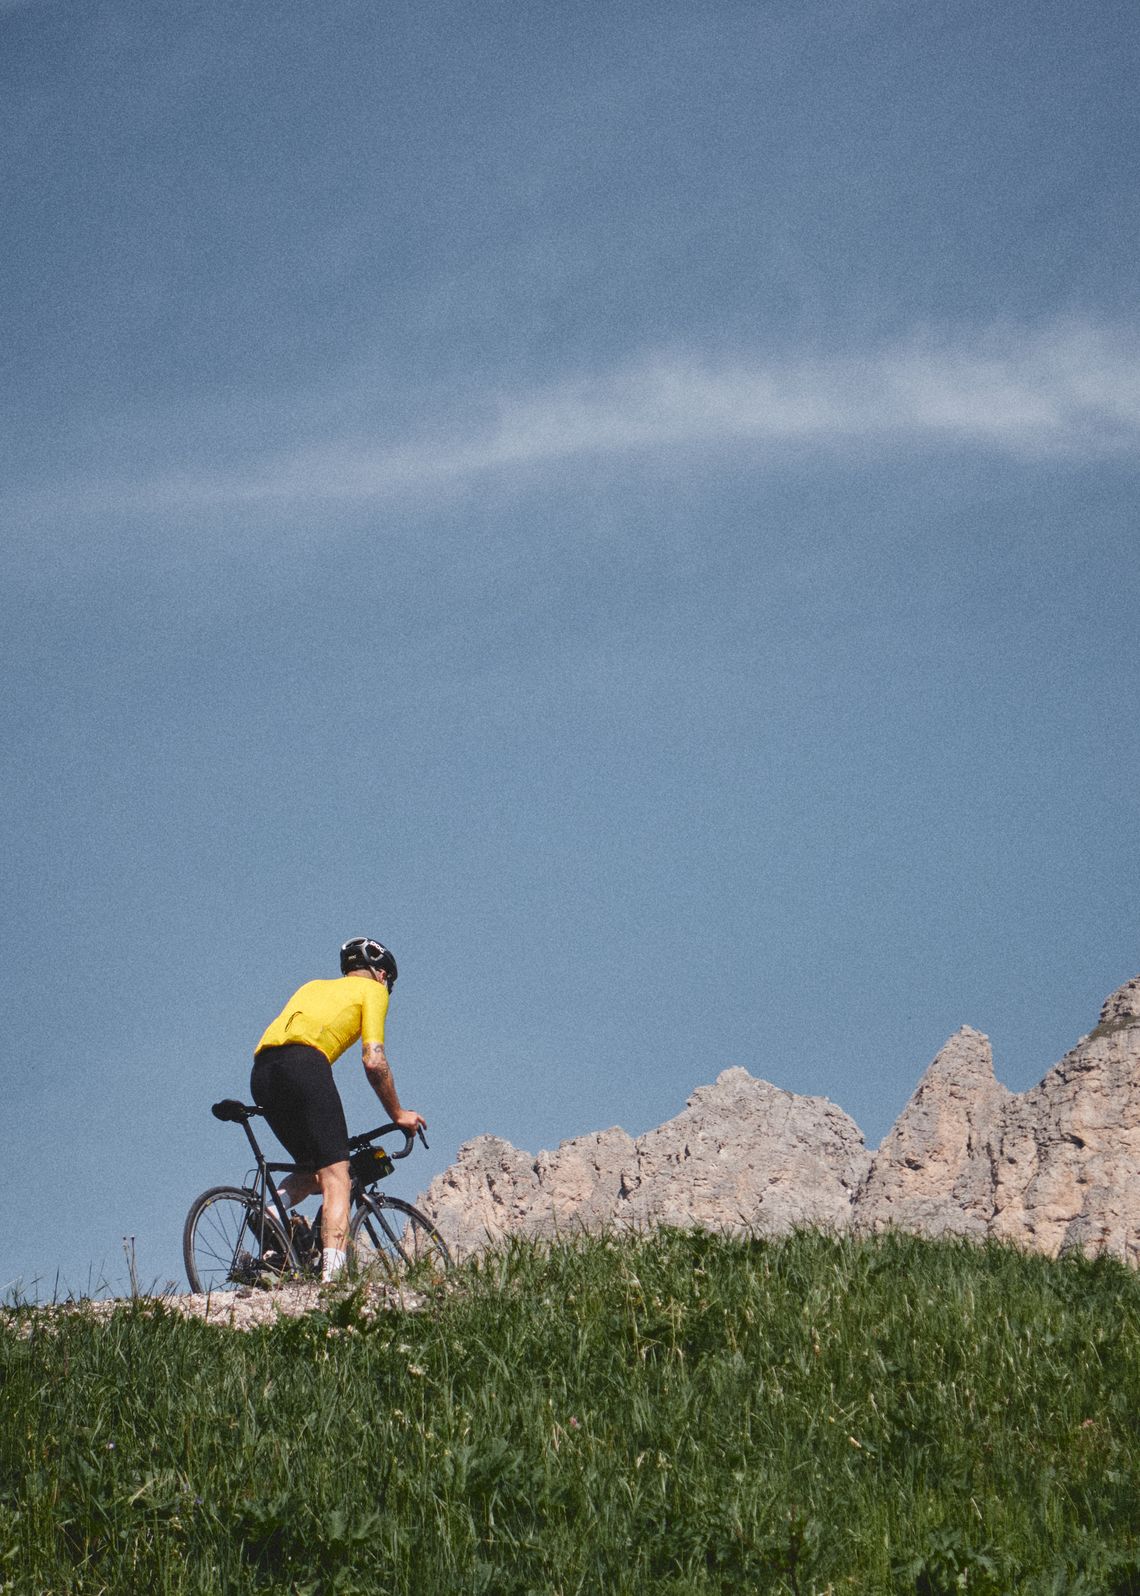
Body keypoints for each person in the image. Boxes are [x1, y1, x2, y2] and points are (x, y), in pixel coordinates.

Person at [251, 937, 426, 1282]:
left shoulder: (312, 986)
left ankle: (270, 1214)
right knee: (337, 1177)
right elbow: (374, 1061)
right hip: (305, 1064)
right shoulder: (374, 992)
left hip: (262, 1072)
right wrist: (398, 1113)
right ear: (381, 974)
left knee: (313, 1171)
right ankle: (332, 1280)